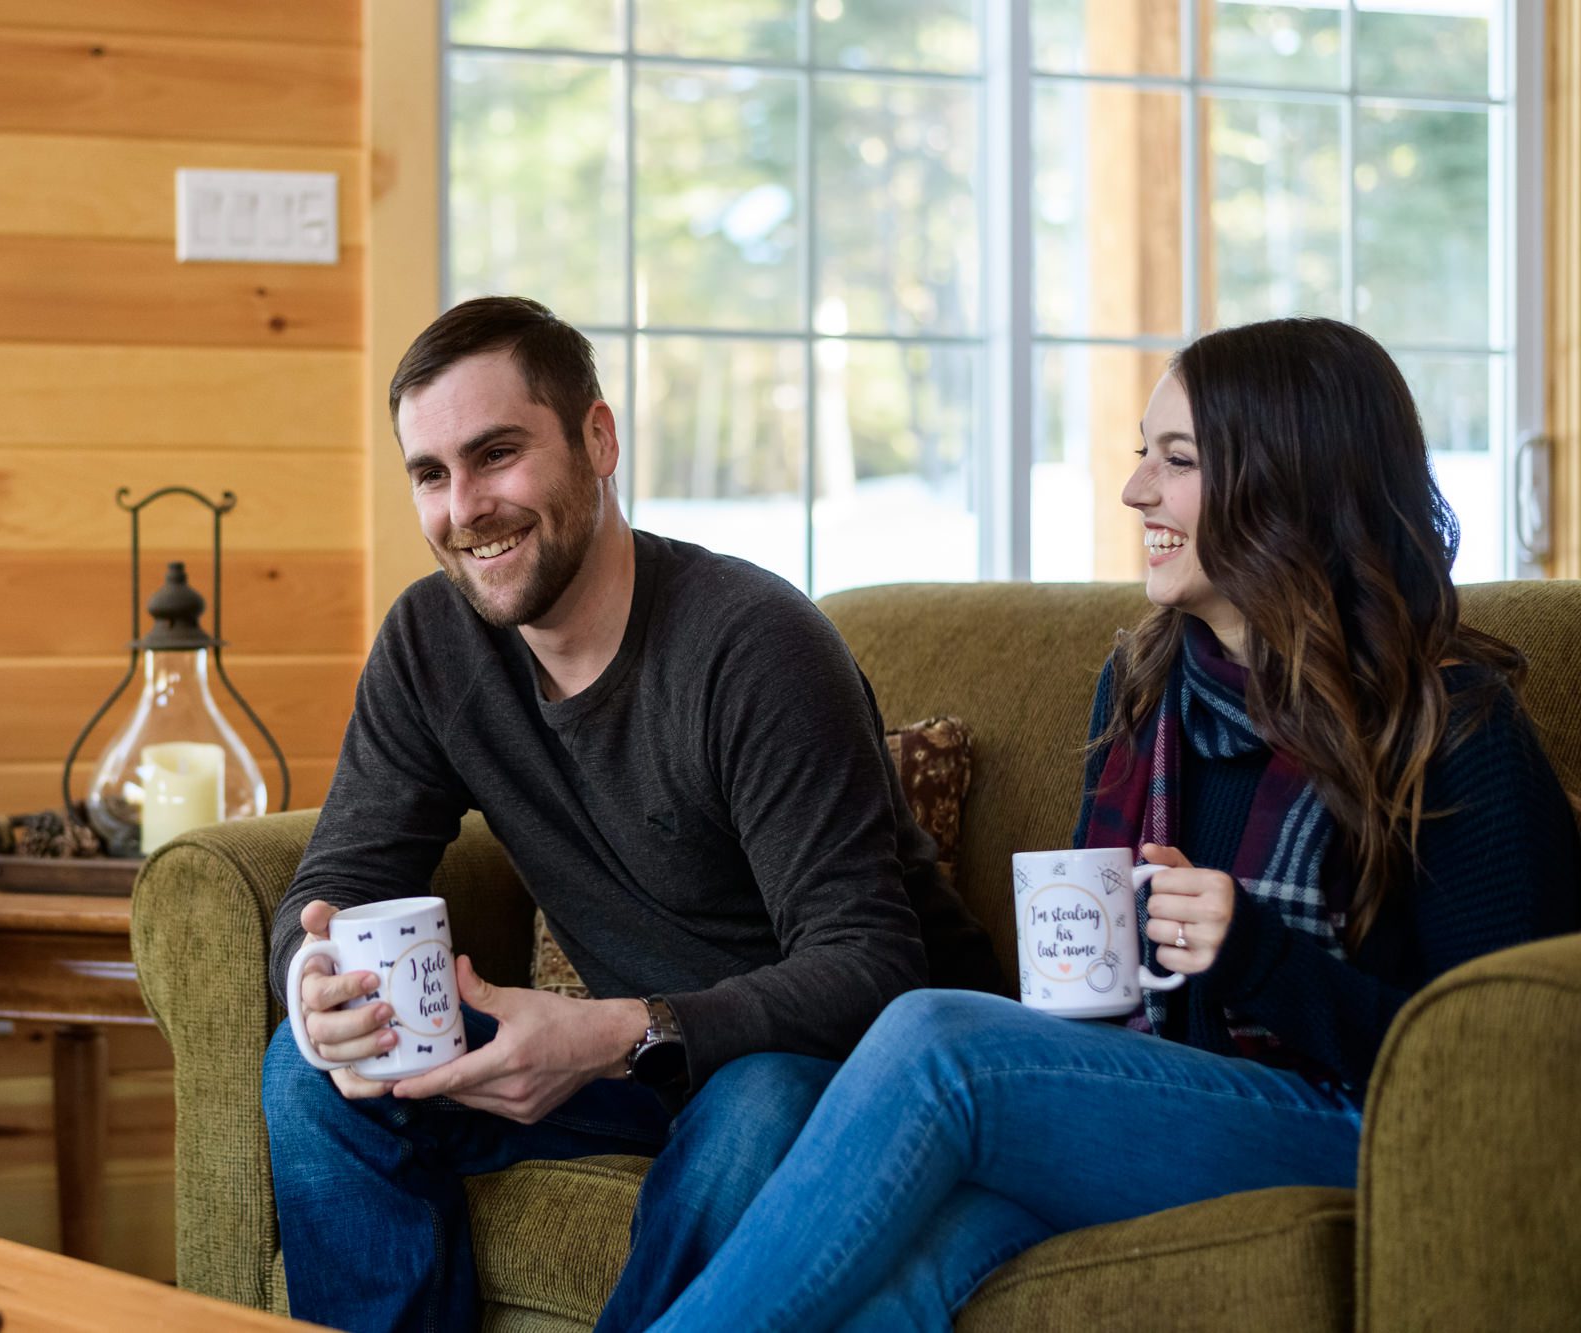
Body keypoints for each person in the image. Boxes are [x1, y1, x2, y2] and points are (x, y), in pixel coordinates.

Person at [644, 316, 1581, 1331]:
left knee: (933, 1040)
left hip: (1365, 1125)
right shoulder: (1144, 687)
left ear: (1291, 480)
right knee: (913, 1262)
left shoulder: (1449, 724)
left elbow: (1508, 1064)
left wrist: (1257, 954)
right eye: (1144, 455)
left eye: (1174, 461)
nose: (1135, 490)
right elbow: (1086, 1006)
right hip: (1165, 1101)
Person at [262, 295, 1003, 1333]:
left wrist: (613, 1034)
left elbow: (873, 966)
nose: (463, 506)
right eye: (429, 474)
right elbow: (333, 882)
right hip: (628, 1062)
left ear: (598, 439)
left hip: (833, 1064)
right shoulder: (432, 643)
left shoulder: (751, 644)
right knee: (309, 1072)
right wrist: (316, 986)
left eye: (497, 454)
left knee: (757, 1105)